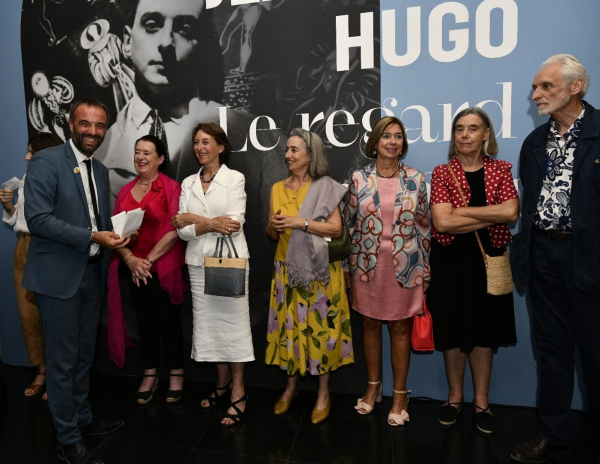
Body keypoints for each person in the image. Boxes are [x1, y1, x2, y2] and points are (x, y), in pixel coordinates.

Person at [22, 98, 129, 464]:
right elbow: (38, 219)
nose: (93, 132)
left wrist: (114, 235)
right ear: (71, 124)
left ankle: (83, 419)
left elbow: (96, 222)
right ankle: (67, 438)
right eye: (86, 124)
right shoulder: (46, 162)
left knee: (84, 356)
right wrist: (92, 237)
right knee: (63, 361)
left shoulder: (98, 169)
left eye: (100, 126)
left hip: (90, 276)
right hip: (58, 281)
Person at [510, 55, 600, 464]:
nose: (536, 95)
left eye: (545, 86)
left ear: (575, 86)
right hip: (542, 254)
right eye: (535, 87)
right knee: (551, 350)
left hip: (590, 257)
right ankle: (553, 435)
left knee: (596, 351)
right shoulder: (534, 143)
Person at [428, 107, 519, 435]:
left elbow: (511, 212)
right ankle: (454, 398)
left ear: (486, 134)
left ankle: (482, 403)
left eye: (472, 128)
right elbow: (442, 221)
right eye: (459, 129)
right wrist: (487, 214)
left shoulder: (501, 169)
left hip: (488, 262)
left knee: (484, 333)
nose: (465, 135)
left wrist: (462, 212)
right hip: (450, 262)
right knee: (452, 332)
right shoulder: (441, 172)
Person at [343, 116, 431, 426]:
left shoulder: (417, 179)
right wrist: (345, 270)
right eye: (386, 136)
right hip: (366, 265)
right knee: (368, 324)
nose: (392, 141)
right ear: (375, 142)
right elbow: (348, 226)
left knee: (399, 328)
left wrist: (425, 271)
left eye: (397, 136)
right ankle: (372, 387)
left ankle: (400, 394)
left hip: (406, 266)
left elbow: (424, 227)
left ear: (402, 143)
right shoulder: (358, 179)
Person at [265, 128, 353, 425]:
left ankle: (323, 394)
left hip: (319, 271)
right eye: (287, 150)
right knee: (289, 330)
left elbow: (336, 230)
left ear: (310, 155)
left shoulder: (324, 186)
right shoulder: (277, 187)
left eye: (294, 150)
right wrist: (276, 226)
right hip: (286, 270)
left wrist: (299, 222)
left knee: (320, 332)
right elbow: (270, 232)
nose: (288, 154)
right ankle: (289, 390)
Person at [172, 123, 253, 427]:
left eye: (206, 142)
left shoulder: (235, 178)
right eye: (196, 142)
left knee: (234, 327)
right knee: (210, 329)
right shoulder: (188, 183)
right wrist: (204, 222)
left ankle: (239, 390)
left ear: (221, 146)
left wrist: (194, 219)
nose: (200, 147)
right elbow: (181, 231)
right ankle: (221, 384)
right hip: (198, 264)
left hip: (229, 263)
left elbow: (234, 223)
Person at [107, 134, 186, 404]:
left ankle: (176, 373)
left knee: (170, 323)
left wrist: (148, 261)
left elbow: (175, 228)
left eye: (147, 153)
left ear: (161, 159)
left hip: (163, 266)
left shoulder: (172, 188)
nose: (140, 157)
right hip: (134, 268)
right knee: (145, 324)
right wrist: (130, 259)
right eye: (137, 151)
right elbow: (115, 233)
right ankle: (150, 373)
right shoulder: (125, 191)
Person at [1, 132, 62, 400]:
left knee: (54, 317)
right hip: (23, 248)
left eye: (31, 152)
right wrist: (8, 206)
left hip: (47, 249)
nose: (26, 157)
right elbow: (20, 222)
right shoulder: (26, 180)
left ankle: (59, 377)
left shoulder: (61, 181)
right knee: (28, 316)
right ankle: (41, 370)